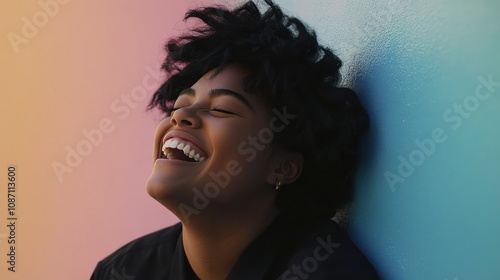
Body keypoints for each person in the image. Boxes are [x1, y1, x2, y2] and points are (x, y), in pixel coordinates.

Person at [90, 0, 379, 279]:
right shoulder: (122, 271)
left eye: (222, 109)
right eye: (179, 105)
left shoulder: (326, 272)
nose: (181, 116)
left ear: (284, 167)